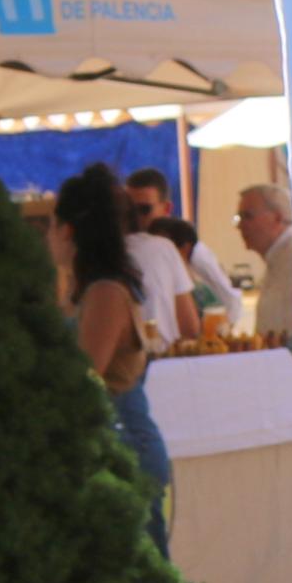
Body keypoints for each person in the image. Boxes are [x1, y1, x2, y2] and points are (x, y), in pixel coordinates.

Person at [54, 166, 173, 550]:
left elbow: (84, 378)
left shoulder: (105, 292)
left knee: (138, 576)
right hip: (111, 443)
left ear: (68, 230)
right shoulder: (88, 289)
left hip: (124, 445)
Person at [127, 167, 236, 332]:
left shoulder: (186, 245)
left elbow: (230, 302)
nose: (135, 218)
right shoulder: (126, 247)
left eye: (144, 210)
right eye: (128, 210)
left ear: (167, 209)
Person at [236, 180, 292, 361]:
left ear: (277, 218)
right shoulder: (280, 256)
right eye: (238, 218)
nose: (239, 226)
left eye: (247, 216)